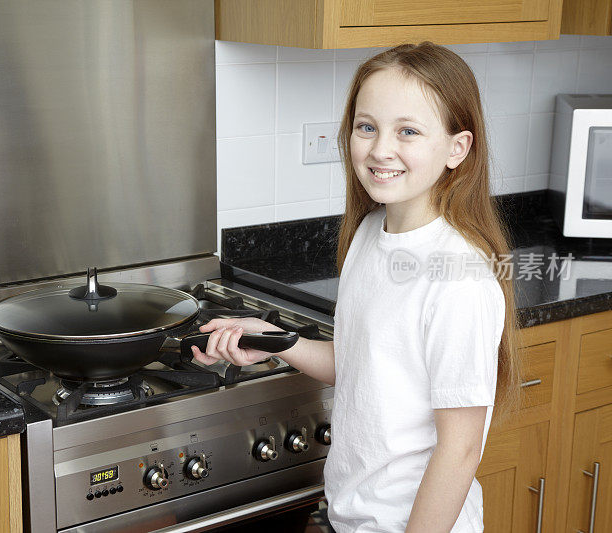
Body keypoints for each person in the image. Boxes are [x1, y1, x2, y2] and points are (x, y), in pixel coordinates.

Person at [191, 42, 523, 532]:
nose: (380, 148)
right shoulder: (371, 234)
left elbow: (461, 450)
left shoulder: (459, 279)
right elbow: (363, 365)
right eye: (367, 127)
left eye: (407, 131)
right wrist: (273, 341)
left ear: (458, 148)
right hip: (355, 518)